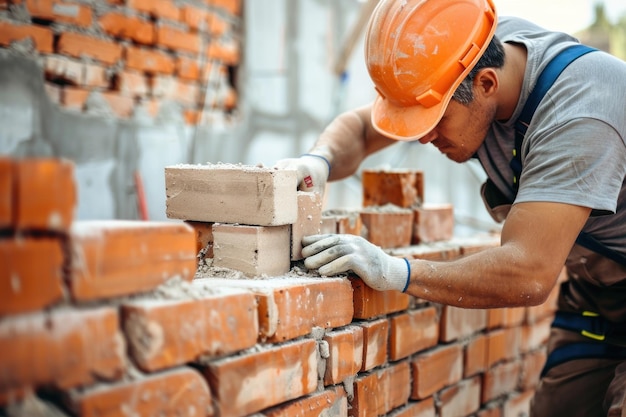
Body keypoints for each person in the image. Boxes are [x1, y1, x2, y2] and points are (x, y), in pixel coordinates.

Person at [274, 0, 626, 415]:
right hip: (598, 295)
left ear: (487, 84)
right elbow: (362, 130)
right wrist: (320, 160)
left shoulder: (579, 114)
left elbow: (529, 272)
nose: (423, 138)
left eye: (435, 121)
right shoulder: (463, 54)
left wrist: (395, 271)